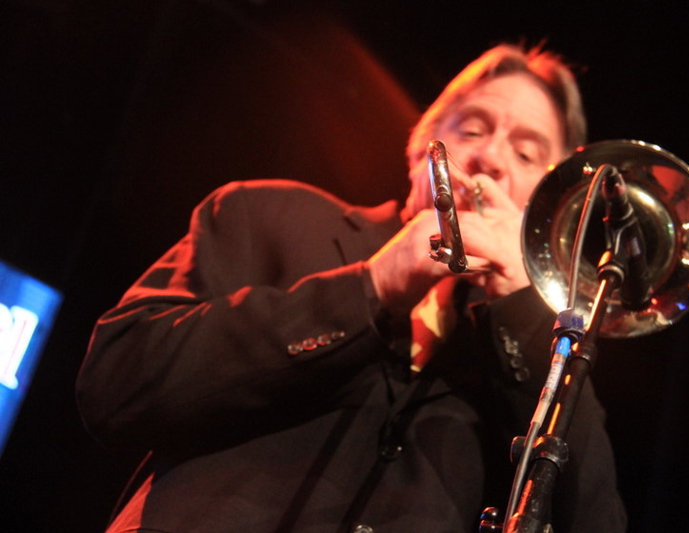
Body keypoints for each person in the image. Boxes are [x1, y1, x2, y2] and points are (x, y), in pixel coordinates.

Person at [76, 43, 627, 533]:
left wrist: (525, 318)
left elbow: (593, 519)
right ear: (421, 148)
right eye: (473, 131)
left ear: (549, 205)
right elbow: (117, 381)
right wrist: (375, 284)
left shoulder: (550, 355)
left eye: (527, 154)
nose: (492, 159)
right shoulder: (267, 214)